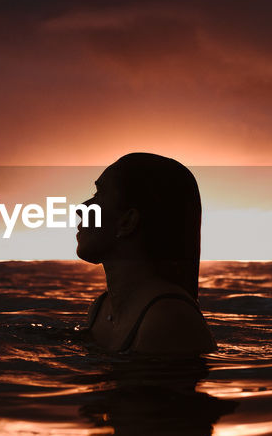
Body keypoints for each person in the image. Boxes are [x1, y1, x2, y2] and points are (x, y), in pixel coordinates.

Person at [76, 152, 216, 354]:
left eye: (99, 195)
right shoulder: (101, 308)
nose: (81, 208)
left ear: (127, 222)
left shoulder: (167, 318)